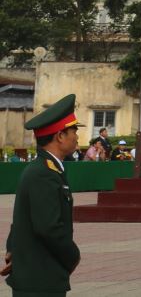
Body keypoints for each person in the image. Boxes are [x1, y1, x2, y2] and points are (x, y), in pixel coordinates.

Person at [4, 95, 82, 296]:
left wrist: (12, 248)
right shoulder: (44, 173)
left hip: (40, 276)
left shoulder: (48, 169)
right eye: (74, 130)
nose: (77, 137)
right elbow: (48, 227)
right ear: (60, 136)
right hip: (40, 281)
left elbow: (22, 216)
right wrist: (73, 255)